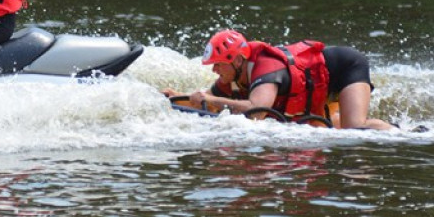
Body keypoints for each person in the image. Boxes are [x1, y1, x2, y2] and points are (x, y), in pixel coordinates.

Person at [164, 29, 394, 130]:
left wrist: (212, 100)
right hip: (316, 86)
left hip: (345, 67)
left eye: (218, 63)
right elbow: (207, 101)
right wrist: (175, 98)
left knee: (354, 127)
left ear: (237, 60)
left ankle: (402, 135)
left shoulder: (267, 68)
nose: (214, 70)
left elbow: (258, 110)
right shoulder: (231, 76)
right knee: (329, 128)